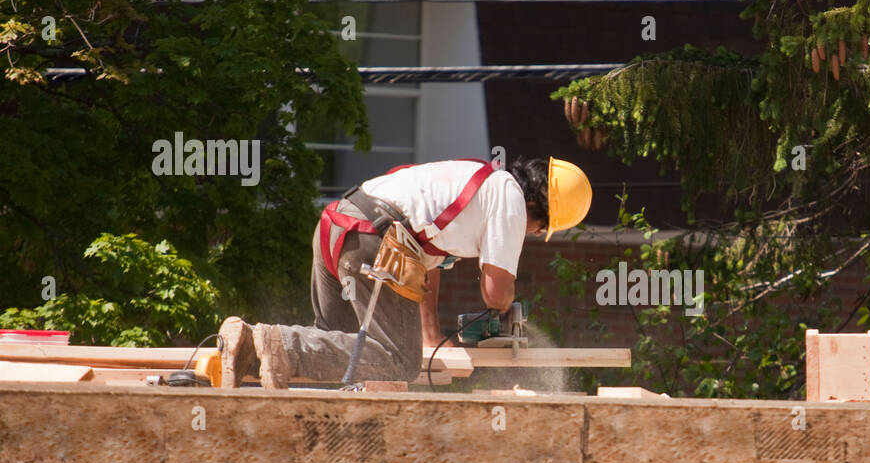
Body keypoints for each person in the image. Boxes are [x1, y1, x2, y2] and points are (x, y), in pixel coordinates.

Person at [218, 156, 592, 388]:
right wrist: (506, 306)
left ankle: (248, 344)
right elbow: (495, 293)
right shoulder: (509, 197)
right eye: (539, 229)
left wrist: (429, 336)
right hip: (372, 239)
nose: (534, 235)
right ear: (533, 207)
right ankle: (275, 340)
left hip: (337, 227)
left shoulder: (472, 189)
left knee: (341, 351)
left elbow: (424, 271)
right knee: (398, 362)